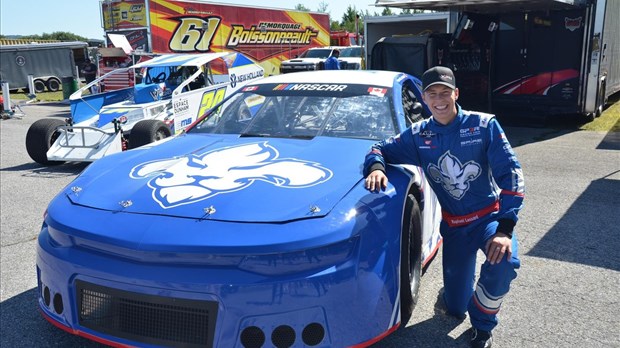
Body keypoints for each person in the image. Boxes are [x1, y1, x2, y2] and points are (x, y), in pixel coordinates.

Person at [363, 66, 524, 348]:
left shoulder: (484, 125)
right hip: (454, 228)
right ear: (424, 99)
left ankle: (482, 327)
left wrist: (505, 229)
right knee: (454, 308)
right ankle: (456, 297)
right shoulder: (417, 135)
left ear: (456, 94)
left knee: (504, 262)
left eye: (445, 92)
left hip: (489, 220)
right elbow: (379, 148)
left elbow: (512, 175)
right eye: (432, 94)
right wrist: (376, 168)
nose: (439, 100)